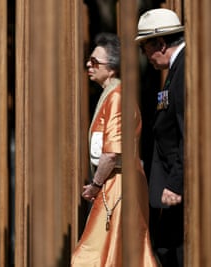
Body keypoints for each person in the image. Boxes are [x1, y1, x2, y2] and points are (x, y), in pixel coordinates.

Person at [71, 32, 157, 267]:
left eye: (95, 62)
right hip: (113, 184)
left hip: (117, 187)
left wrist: (95, 186)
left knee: (93, 256)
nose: (89, 65)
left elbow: (112, 152)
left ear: (112, 68)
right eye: (89, 60)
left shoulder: (117, 98)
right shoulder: (110, 96)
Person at [135, 8, 185, 267]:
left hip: (180, 189)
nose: (145, 55)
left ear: (161, 43)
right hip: (174, 186)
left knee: (175, 252)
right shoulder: (176, 70)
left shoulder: (184, 71)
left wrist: (177, 183)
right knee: (166, 248)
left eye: (144, 47)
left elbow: (187, 133)